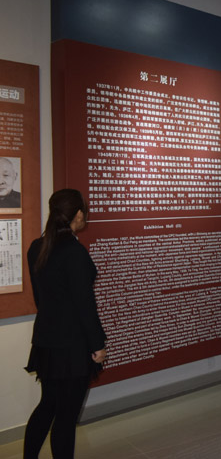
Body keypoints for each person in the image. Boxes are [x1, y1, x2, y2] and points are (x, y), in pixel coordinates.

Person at [23, 189, 107, 459]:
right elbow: (85, 305)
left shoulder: (37, 247)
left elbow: (41, 299)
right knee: (66, 416)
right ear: (78, 214)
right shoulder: (74, 252)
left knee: (47, 405)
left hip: (47, 341)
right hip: (72, 346)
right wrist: (98, 344)